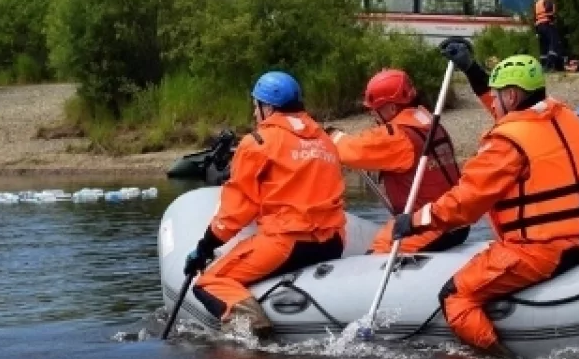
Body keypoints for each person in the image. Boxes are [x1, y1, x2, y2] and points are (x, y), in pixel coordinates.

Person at [391, 42, 579, 359]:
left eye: (498, 93)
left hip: (540, 251)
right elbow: (507, 111)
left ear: (512, 96)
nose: (495, 103)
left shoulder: (506, 142)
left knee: (454, 296)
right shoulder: (564, 116)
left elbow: (465, 204)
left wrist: (415, 221)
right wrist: (472, 70)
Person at [184, 71, 346, 338]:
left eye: (256, 106)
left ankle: (254, 329)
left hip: (287, 242)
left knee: (210, 282)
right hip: (332, 242)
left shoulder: (258, 142)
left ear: (268, 107)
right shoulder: (324, 141)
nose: (254, 113)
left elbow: (237, 210)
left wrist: (206, 247)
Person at [330, 68, 469, 254]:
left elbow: (351, 152)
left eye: (376, 110)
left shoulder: (399, 137)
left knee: (378, 252)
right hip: (455, 222)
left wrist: (330, 136)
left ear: (392, 108)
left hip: (429, 227)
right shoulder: (429, 124)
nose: (373, 115)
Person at [533, 0, 560, 72]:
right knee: (553, 44)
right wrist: (553, 22)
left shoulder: (538, 3)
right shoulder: (549, 2)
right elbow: (550, 14)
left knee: (543, 46)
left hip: (538, 26)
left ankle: (543, 65)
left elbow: (535, 16)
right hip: (547, 24)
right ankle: (550, 65)